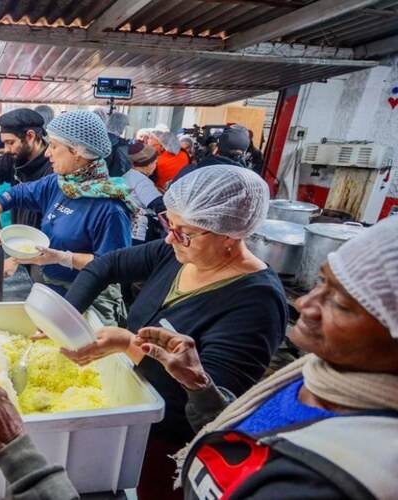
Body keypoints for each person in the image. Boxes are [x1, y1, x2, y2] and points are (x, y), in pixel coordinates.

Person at [0, 215, 398, 500]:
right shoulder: (314, 380)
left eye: (340, 302)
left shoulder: (334, 476)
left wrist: (15, 451)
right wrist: (199, 385)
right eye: (319, 283)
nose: (305, 303)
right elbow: (233, 428)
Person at [62, 165, 287, 499]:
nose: (169, 237)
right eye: (170, 224)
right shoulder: (177, 255)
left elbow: (210, 404)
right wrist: (64, 316)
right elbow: (105, 266)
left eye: (185, 232)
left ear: (230, 235)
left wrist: (129, 344)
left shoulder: (257, 303)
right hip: (133, 414)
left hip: (172, 444)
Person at [0, 110, 138, 325]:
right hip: (52, 288)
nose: (47, 154)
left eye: (53, 146)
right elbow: (15, 195)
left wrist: (63, 258)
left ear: (77, 152)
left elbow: (115, 266)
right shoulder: (60, 183)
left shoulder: (110, 207)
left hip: (90, 301)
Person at [0, 108, 53, 230]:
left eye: (10, 142)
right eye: (5, 143)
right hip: (18, 235)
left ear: (30, 136)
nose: (6, 149)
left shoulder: (53, 165)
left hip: (43, 240)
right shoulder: (12, 158)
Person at [173, 126, 252, 183]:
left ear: (216, 149)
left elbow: (170, 198)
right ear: (244, 153)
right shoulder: (248, 181)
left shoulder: (193, 172)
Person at [122, 143, 165, 245]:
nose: (155, 166)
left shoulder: (127, 175)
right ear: (149, 164)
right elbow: (158, 204)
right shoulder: (142, 181)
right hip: (140, 231)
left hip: (127, 227)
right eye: (155, 163)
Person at [104, 112, 131, 177]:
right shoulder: (122, 144)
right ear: (122, 126)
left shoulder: (99, 137)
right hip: (114, 181)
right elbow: (124, 167)